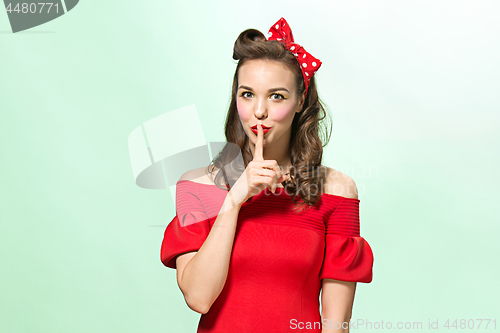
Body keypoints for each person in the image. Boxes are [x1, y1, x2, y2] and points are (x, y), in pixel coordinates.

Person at [160, 17, 374, 333]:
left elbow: (335, 323)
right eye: (248, 94)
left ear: (301, 100)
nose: (259, 110)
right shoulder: (197, 186)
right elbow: (199, 298)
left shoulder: (337, 190)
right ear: (236, 98)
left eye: (276, 96)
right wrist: (233, 201)